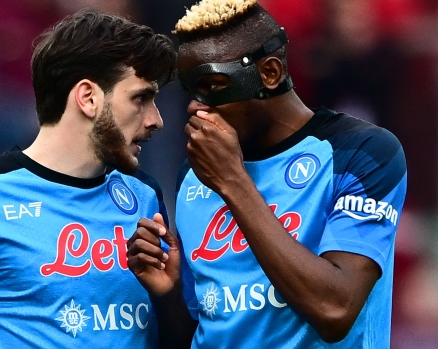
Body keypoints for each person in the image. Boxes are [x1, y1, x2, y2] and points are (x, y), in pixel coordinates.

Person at [126, 0, 407, 348]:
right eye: (189, 90)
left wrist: (233, 182)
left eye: (211, 85)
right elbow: (203, 329)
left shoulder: (360, 151)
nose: (195, 107)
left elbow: (335, 310)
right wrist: (169, 293)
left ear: (269, 74)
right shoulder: (194, 175)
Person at [0, 8, 176, 348]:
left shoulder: (144, 195)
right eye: (141, 98)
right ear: (88, 97)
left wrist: (171, 298)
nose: (156, 120)